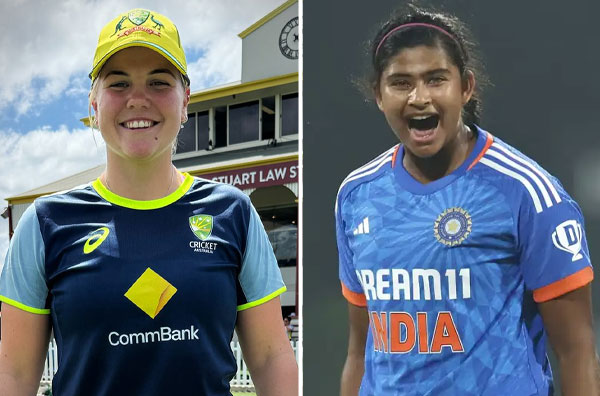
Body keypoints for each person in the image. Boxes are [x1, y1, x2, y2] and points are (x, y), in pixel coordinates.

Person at [0, 9, 297, 396]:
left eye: (159, 82)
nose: (138, 99)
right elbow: (15, 375)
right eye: (118, 84)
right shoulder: (45, 223)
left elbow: (272, 357)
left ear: (185, 100)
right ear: (94, 103)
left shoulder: (233, 213)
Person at [336, 4, 600, 396]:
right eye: (400, 83)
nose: (419, 98)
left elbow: (576, 353)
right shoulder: (355, 195)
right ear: (378, 94)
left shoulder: (528, 192)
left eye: (436, 79)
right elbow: (360, 351)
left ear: (466, 87)